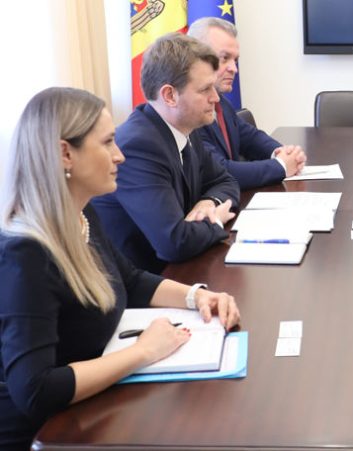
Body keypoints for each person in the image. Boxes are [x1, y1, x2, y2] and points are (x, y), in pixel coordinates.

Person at [0, 87, 241, 450]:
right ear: (65, 153)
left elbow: (129, 280)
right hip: (46, 433)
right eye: (107, 142)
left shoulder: (81, 213)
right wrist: (143, 352)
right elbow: (35, 390)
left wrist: (198, 296)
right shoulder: (25, 254)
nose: (120, 155)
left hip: (93, 405)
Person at [92, 33, 240, 273]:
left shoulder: (186, 127)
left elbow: (226, 180)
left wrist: (209, 202)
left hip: (175, 270)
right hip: (138, 282)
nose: (216, 98)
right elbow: (174, 242)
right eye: (205, 89)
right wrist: (215, 220)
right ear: (170, 95)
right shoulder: (137, 146)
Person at [187, 17, 307, 190]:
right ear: (195, 58)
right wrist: (281, 166)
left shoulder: (222, 104)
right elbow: (219, 170)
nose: (234, 69)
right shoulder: (188, 111)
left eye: (235, 60)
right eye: (224, 58)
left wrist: (282, 152)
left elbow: (250, 137)